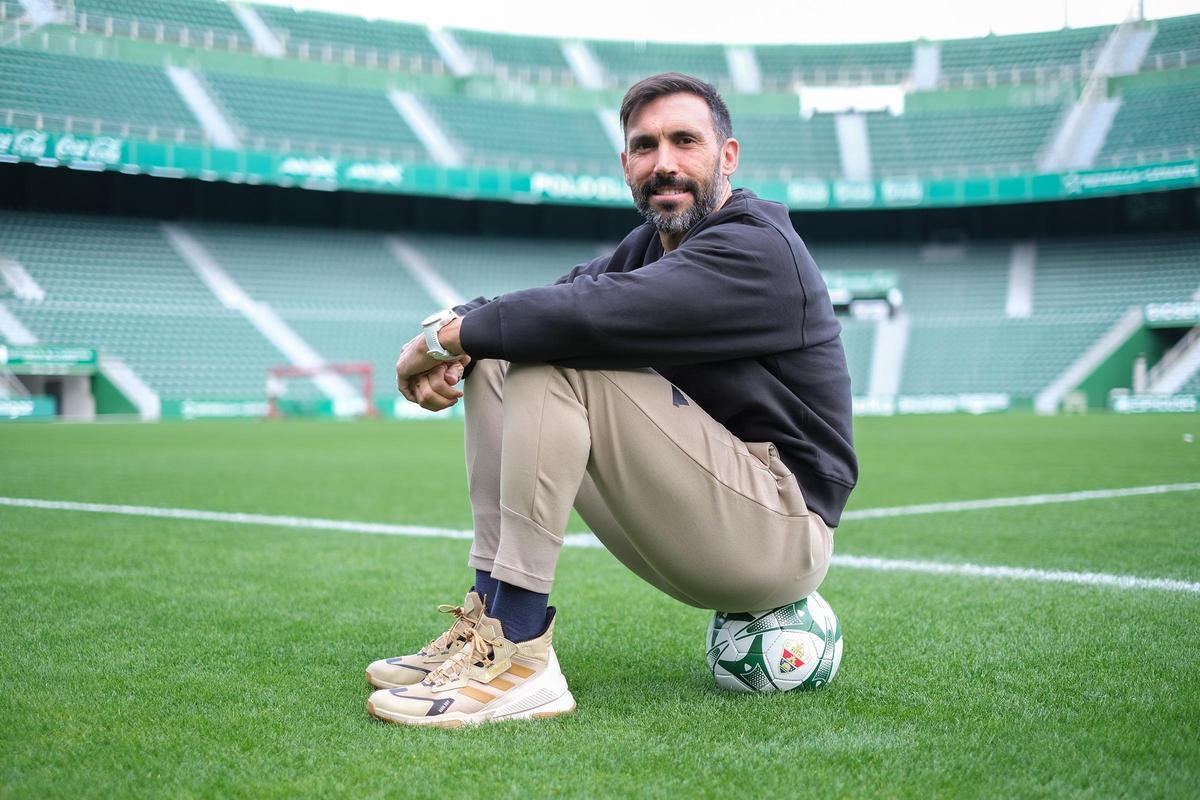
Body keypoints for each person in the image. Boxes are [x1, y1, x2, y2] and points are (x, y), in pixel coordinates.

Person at [366, 72, 857, 727]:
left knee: (552, 357)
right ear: (626, 165)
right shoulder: (650, 247)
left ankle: (521, 657)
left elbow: (585, 314)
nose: (664, 163)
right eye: (645, 146)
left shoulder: (758, 247)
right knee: (501, 356)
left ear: (728, 156)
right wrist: (452, 332)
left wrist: (443, 340)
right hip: (704, 515)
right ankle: (489, 624)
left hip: (780, 532)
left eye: (685, 141)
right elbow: (555, 297)